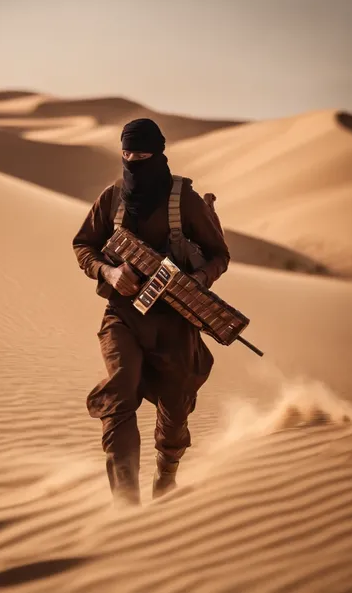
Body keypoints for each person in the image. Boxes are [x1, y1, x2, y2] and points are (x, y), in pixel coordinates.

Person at [72, 118, 230, 506]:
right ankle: (125, 503)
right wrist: (108, 270)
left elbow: (219, 255)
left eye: (141, 155)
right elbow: (83, 246)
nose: (132, 161)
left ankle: (166, 478)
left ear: (158, 156)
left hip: (175, 320)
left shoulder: (184, 200)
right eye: (126, 154)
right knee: (120, 391)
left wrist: (199, 279)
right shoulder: (111, 198)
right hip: (122, 316)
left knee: (175, 407)